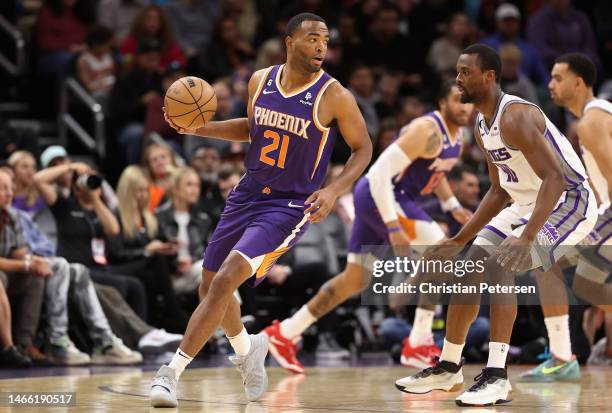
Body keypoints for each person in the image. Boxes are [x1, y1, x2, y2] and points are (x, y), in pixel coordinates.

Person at [149, 12, 372, 408]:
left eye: (325, 39)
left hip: (289, 204)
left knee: (226, 279)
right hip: (247, 191)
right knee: (209, 285)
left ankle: (171, 373)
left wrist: (335, 190)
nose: (321, 46)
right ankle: (248, 348)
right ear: (289, 41)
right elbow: (253, 129)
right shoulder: (260, 80)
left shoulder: (333, 94)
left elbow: (363, 148)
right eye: (312, 39)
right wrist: (199, 128)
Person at [394, 44, 597, 406]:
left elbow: (553, 179)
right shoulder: (482, 123)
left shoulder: (515, 115)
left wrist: (527, 236)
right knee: (471, 268)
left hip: (569, 201)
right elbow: (499, 189)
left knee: (501, 266)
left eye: (465, 72)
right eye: (457, 72)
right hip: (525, 203)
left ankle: (497, 376)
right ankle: (449, 367)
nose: (458, 79)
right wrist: (458, 238)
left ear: (489, 77)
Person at [264, 79, 474, 373]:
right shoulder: (426, 131)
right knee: (441, 251)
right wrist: (393, 226)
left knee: (355, 280)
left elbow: (436, 175)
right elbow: (379, 175)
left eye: (468, 101)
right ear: (442, 102)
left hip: (388, 199)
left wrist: (453, 206)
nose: (464, 107)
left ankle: (284, 333)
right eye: (457, 100)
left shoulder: (458, 137)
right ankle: (418, 341)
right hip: (380, 195)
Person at [520, 53, 612, 379]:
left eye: (558, 78)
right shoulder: (591, 120)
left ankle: (562, 358)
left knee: (543, 256)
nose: (550, 85)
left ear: (578, 82)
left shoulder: (591, 121)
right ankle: (562, 357)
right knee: (585, 285)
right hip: (605, 212)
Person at [107, 165, 189, 333]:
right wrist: (146, 251)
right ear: (127, 191)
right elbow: (115, 253)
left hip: (145, 268)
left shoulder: (148, 217)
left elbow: (159, 243)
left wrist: (170, 250)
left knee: (150, 275)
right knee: (154, 261)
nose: (143, 195)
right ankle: (178, 317)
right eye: (139, 191)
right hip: (119, 267)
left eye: (146, 190)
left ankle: (153, 328)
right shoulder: (116, 215)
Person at [0, 169, 49, 365]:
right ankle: (7, 348)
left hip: (6, 273)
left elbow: (18, 252)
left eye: (10, 188)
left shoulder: (11, 216)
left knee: (35, 276)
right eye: (3, 189)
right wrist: (27, 264)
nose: (10, 193)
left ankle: (25, 343)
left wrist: (34, 261)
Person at [156, 166, 212, 295]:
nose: (195, 190)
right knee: (211, 272)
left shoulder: (203, 219)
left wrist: (191, 260)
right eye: (189, 185)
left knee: (213, 272)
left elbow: (209, 249)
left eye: (197, 185)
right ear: (175, 188)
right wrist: (175, 263)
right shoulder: (158, 217)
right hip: (171, 277)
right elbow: (156, 253)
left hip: (197, 270)